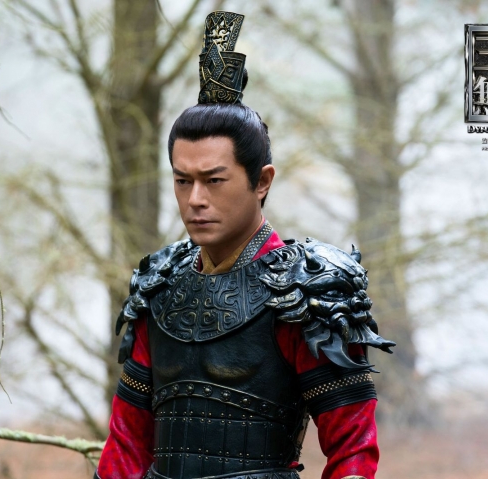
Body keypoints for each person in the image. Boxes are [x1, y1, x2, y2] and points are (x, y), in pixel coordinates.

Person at [96, 11, 394, 479]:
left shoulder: (307, 291)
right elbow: (126, 446)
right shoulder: (159, 285)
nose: (195, 199)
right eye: (182, 180)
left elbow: (352, 452)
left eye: (214, 180)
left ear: (262, 181)